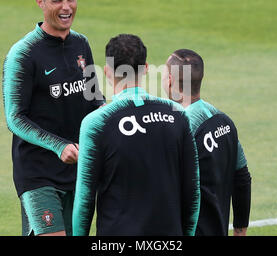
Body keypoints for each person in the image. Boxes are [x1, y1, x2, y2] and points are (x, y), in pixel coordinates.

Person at [2, 0, 104, 236]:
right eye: (57, 0)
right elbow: (15, 117)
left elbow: (94, 99)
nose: (66, 7)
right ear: (41, 3)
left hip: (78, 169)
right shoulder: (22, 54)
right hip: (37, 173)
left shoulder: (81, 44)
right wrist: (59, 146)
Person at [72, 34, 200, 236]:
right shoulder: (178, 115)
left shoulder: (96, 123)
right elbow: (193, 191)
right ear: (146, 68)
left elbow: (85, 200)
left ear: (106, 72)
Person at [162, 49, 252, 236]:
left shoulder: (179, 128)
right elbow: (242, 177)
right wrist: (240, 230)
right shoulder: (224, 120)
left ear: (169, 80)